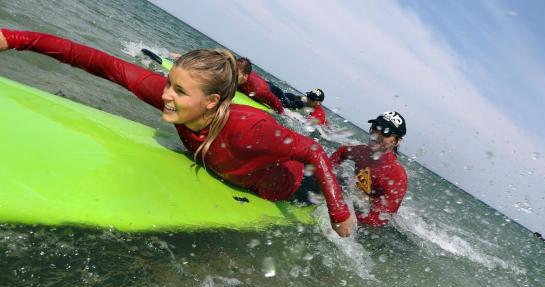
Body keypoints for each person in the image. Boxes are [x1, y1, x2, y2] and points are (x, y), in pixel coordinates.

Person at [0, 29, 353, 237]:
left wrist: (338, 213)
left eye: (180, 92)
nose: (166, 95)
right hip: (233, 170)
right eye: (170, 85)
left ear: (212, 101)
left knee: (346, 195)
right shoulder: (172, 100)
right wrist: (14, 38)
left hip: (292, 187)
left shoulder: (247, 130)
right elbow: (100, 63)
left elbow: (313, 152)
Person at [330, 111, 407, 227]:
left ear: (395, 141)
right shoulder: (362, 152)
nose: (376, 134)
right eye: (375, 127)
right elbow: (342, 152)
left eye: (385, 132)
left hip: (375, 228)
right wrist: (329, 171)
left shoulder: (396, 175)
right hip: (355, 200)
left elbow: (379, 220)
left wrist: (343, 215)